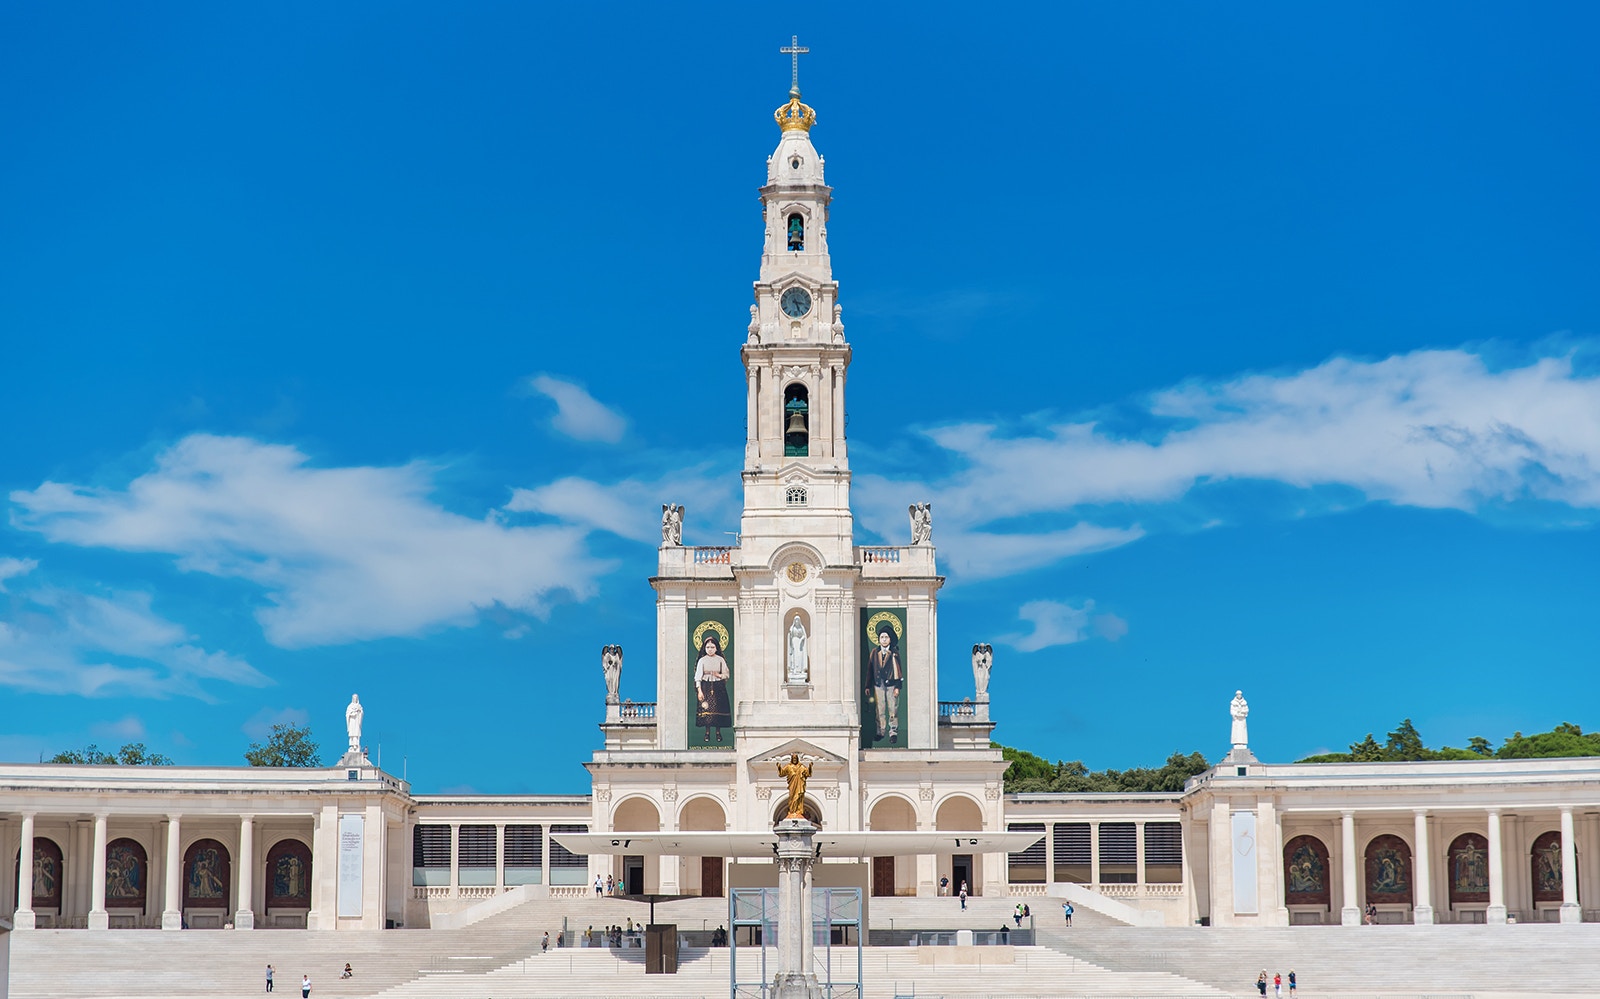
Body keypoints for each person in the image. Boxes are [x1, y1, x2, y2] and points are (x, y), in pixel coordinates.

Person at [867, 624, 903, 742]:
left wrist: (898, 686)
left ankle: (893, 731)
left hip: (891, 684)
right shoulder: (874, 652)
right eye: (882, 637)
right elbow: (870, 669)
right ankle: (880, 731)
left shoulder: (894, 652)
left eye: (886, 637)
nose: (884, 640)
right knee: (880, 709)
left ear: (890, 639)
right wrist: (867, 685)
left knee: (893, 708)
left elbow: (898, 670)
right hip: (878, 684)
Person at [694, 632, 732, 742]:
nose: (710, 649)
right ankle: (707, 733)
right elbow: (698, 676)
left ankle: (718, 733)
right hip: (706, 686)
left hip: (718, 687)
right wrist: (699, 690)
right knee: (707, 709)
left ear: (716, 648)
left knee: (718, 709)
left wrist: (718, 675)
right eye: (708, 647)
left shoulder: (720, 660)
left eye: (712, 647)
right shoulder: (702, 660)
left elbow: (727, 674)